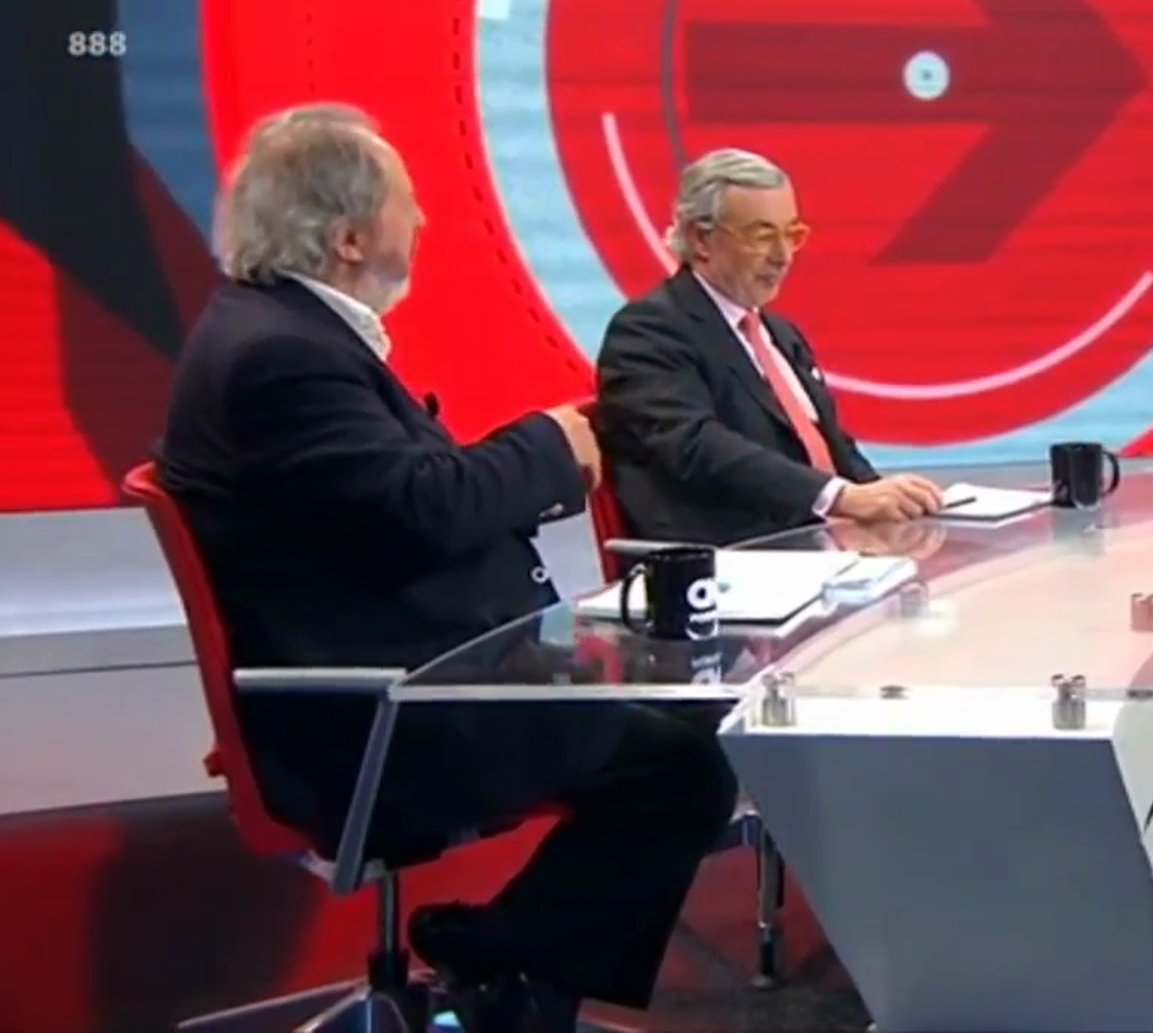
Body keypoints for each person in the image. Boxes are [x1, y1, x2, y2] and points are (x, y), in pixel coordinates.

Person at [157, 103, 737, 1030]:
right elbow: (422, 512)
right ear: (349, 237)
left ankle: (509, 964)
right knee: (684, 771)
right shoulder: (281, 358)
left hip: (404, 666)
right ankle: (509, 970)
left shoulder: (278, 331)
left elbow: (399, 501)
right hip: (379, 711)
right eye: (407, 202)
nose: (423, 220)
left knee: (680, 727)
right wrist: (549, 444)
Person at [596, 148, 945, 547]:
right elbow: (694, 445)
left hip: (827, 547)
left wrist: (886, 497)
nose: (782, 256)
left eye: (792, 234)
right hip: (734, 555)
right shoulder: (649, 331)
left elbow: (830, 443)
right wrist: (840, 497)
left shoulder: (780, 333)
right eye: (762, 236)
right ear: (701, 238)